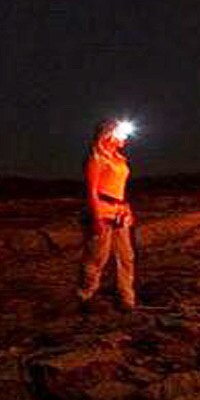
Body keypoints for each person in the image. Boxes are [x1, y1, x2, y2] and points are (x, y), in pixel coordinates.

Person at [78, 119, 137, 310]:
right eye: (122, 133)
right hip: (101, 209)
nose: (126, 138)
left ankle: (126, 299)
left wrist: (126, 207)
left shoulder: (120, 159)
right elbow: (92, 191)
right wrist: (96, 218)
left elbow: (119, 187)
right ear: (109, 134)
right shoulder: (96, 158)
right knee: (97, 257)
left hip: (119, 210)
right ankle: (85, 296)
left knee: (126, 256)